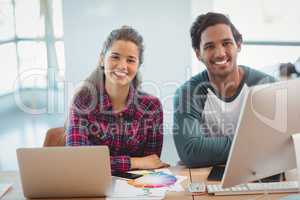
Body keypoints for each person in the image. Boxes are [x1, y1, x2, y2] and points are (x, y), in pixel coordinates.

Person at [173, 12, 276, 167]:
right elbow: (191, 151)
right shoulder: (188, 94)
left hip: (260, 175)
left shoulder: (266, 85)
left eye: (226, 43)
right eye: (209, 46)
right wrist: (255, 142)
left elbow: (281, 142)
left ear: (238, 44)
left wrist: (211, 149)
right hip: (207, 182)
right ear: (198, 54)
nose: (220, 53)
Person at [66, 26, 169, 173]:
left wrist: (106, 163)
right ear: (102, 59)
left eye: (131, 60)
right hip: (92, 186)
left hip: (137, 190)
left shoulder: (152, 106)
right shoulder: (83, 101)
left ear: (138, 66)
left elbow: (151, 163)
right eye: (115, 57)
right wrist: (134, 162)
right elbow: (77, 161)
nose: (122, 66)